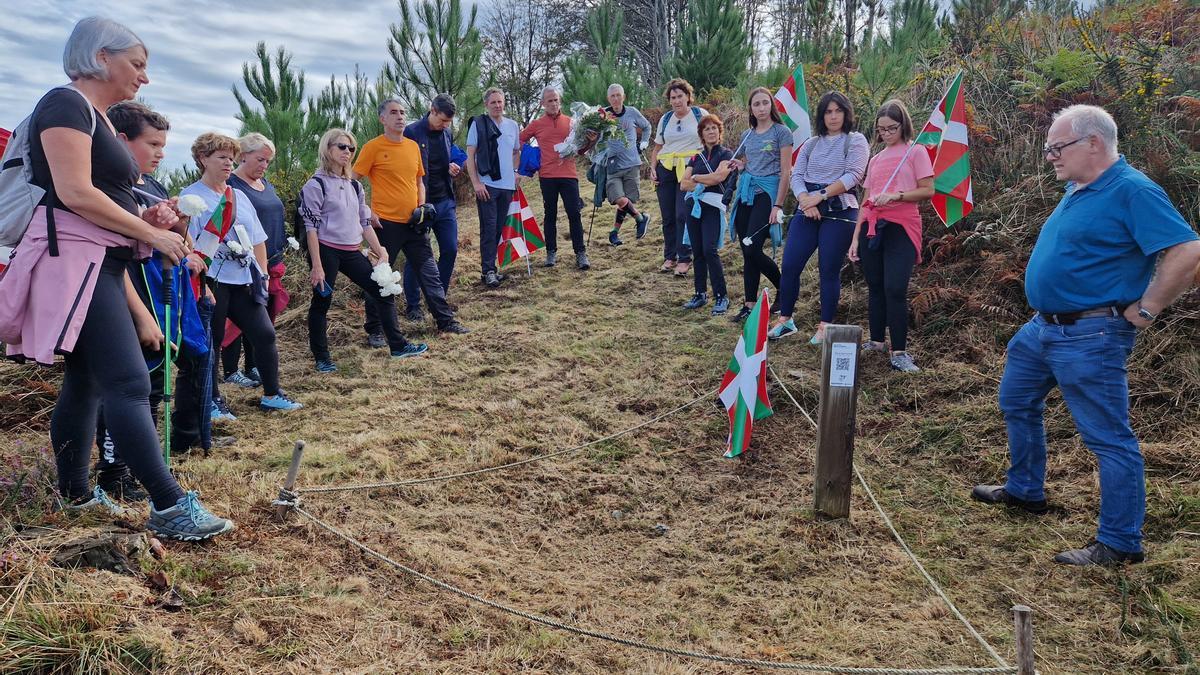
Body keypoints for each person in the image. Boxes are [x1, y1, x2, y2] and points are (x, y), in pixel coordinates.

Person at [0, 16, 232, 540]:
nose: (143, 77)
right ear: (100, 57)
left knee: (85, 385)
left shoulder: (98, 118)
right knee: (128, 383)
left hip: (97, 263)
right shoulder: (65, 104)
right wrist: (153, 238)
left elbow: (93, 202)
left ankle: (76, 495)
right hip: (76, 265)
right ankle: (169, 505)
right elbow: (75, 192)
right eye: (137, 64)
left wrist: (144, 223)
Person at [971, 104, 1200, 566]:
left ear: (1093, 143)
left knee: (1108, 438)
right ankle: (1025, 491)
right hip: (1042, 330)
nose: (1050, 157)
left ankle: (1118, 543)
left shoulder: (1133, 190)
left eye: (1057, 148)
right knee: (1016, 399)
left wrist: (1150, 307)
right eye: (1048, 148)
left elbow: (1188, 250)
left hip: (1092, 333)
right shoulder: (1079, 186)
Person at [92, 101, 214, 500]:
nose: (161, 153)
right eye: (153, 144)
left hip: (162, 295)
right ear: (122, 141)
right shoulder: (109, 187)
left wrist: (182, 235)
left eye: (164, 146)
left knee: (153, 381)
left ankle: (143, 464)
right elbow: (114, 248)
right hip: (124, 296)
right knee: (125, 384)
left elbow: (171, 239)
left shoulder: (153, 186)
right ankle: (113, 470)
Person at [182, 132, 302, 413]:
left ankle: (272, 394)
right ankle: (210, 402)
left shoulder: (236, 195)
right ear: (203, 159)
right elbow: (189, 242)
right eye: (221, 157)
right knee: (210, 344)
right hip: (212, 280)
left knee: (264, 334)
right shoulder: (190, 198)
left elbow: (258, 237)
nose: (228, 163)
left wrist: (261, 274)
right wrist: (201, 284)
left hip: (243, 279)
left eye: (230, 158)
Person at [304, 129, 427, 369]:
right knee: (322, 301)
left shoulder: (354, 186)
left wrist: (380, 250)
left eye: (351, 148)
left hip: (351, 250)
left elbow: (364, 222)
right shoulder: (316, 184)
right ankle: (322, 358)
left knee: (383, 290)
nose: (347, 152)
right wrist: (317, 266)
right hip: (326, 250)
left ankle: (398, 346)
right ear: (327, 149)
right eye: (341, 147)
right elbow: (311, 229)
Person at [354, 99, 468, 338]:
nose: (400, 117)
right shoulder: (373, 147)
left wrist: (422, 207)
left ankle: (445, 321)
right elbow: (353, 181)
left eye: (403, 112)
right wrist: (366, 210)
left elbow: (418, 181)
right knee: (379, 277)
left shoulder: (412, 146)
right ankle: (375, 330)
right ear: (382, 119)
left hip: (415, 223)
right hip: (384, 224)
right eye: (393, 113)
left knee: (430, 274)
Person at [767, 91, 869, 343]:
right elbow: (797, 174)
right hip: (807, 209)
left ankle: (825, 326)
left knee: (828, 269)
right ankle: (786, 319)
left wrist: (820, 196)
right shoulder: (811, 143)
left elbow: (853, 175)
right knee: (790, 264)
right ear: (821, 115)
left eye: (838, 111)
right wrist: (805, 199)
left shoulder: (855, 140)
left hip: (840, 210)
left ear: (846, 113)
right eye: (828, 112)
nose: (833, 116)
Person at [847, 100, 934, 373]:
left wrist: (896, 196)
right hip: (873, 226)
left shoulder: (916, 152)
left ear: (903, 125)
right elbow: (866, 198)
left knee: (895, 288)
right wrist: (855, 236)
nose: (886, 133)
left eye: (891, 128)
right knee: (874, 287)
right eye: (881, 129)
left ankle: (899, 351)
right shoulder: (876, 159)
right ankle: (876, 341)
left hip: (902, 226)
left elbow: (928, 190)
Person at [222, 133, 286, 388]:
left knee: (260, 316)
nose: (264, 165)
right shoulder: (233, 185)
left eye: (268, 162)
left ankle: (253, 365)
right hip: (242, 261)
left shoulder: (265, 184)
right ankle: (230, 369)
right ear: (243, 155)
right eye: (260, 159)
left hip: (270, 259)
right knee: (236, 320)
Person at [728, 87, 792, 323]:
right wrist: (740, 165)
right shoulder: (747, 134)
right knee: (747, 251)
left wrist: (778, 205)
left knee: (753, 247)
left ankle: (783, 289)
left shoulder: (781, 133)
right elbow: (750, 162)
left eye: (765, 103)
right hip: (747, 193)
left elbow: (786, 172)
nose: (761, 108)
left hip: (768, 194)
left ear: (771, 106)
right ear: (751, 109)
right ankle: (749, 304)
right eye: (757, 104)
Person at [400, 93, 465, 320]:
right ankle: (413, 306)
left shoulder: (446, 132)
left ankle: (438, 299)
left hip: (445, 201)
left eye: (449, 122)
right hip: (420, 204)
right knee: (417, 256)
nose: (445, 125)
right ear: (432, 110)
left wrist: (451, 168)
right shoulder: (411, 132)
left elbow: (440, 160)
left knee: (450, 249)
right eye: (442, 120)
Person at [519, 86, 590, 270]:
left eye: (556, 100)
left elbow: (581, 150)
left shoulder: (573, 122)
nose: (553, 103)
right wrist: (528, 157)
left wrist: (592, 140)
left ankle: (580, 253)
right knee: (550, 214)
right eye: (549, 100)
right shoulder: (536, 124)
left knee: (574, 213)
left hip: (569, 175)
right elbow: (518, 140)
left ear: (560, 102)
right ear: (543, 104)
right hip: (547, 176)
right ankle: (551, 253)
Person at [648, 78, 704, 276]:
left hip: (689, 168)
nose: (677, 100)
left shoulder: (699, 115)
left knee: (682, 214)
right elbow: (658, 147)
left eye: (680, 96)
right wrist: (653, 168)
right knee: (668, 216)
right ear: (669, 100)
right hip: (665, 167)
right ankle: (669, 256)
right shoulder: (666, 119)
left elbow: (712, 139)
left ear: (688, 97)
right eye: (673, 97)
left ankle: (684, 257)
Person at [466, 87, 521, 288]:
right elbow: (470, 156)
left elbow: (516, 152)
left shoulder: (513, 126)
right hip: (487, 185)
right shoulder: (478, 125)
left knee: (499, 227)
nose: (497, 105)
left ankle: (493, 268)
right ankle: (487, 271)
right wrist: (476, 183)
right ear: (486, 105)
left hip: (507, 186)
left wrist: (516, 172)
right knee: (488, 228)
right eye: (493, 102)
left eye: (500, 101)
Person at [679, 114, 733, 315]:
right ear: (701, 133)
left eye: (714, 128)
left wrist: (695, 177)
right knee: (698, 250)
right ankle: (700, 293)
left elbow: (719, 177)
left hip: (712, 206)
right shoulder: (695, 157)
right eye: (706, 129)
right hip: (694, 206)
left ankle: (722, 296)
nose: (711, 132)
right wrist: (703, 180)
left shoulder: (727, 155)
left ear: (719, 132)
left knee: (710, 249)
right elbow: (684, 184)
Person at [601, 84, 652, 247]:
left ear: (623, 97)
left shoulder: (632, 112)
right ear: (608, 98)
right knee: (618, 198)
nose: (615, 99)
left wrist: (644, 142)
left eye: (618, 95)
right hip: (613, 166)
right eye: (612, 96)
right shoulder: (602, 115)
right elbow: (594, 136)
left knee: (628, 201)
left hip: (632, 163)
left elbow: (646, 127)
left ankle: (614, 233)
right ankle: (640, 218)